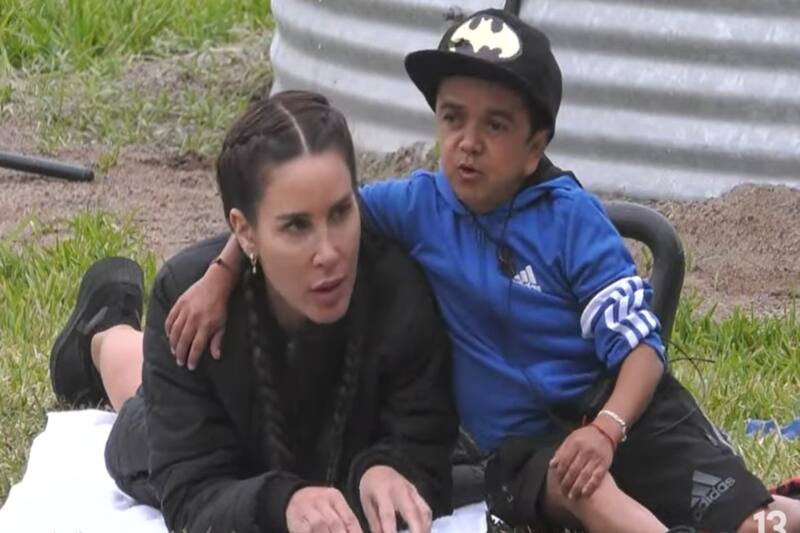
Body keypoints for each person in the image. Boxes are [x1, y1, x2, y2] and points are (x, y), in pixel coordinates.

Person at [129, 8, 800, 533]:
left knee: (755, 521)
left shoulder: (567, 222)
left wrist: (606, 428)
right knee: (586, 491)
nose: (468, 143)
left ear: (536, 146)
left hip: (622, 415)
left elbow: (641, 348)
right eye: (452, 118)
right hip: (527, 448)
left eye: (496, 126)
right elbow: (299, 209)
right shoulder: (417, 206)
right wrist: (222, 271)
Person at [49, 90, 459, 533]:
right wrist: (281, 504)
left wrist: (391, 468)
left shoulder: (399, 287)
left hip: (333, 447)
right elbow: (190, 492)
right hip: (230, 445)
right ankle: (103, 331)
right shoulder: (188, 293)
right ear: (244, 233)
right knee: (139, 417)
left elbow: (425, 442)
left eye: (342, 212)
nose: (329, 253)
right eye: (296, 226)